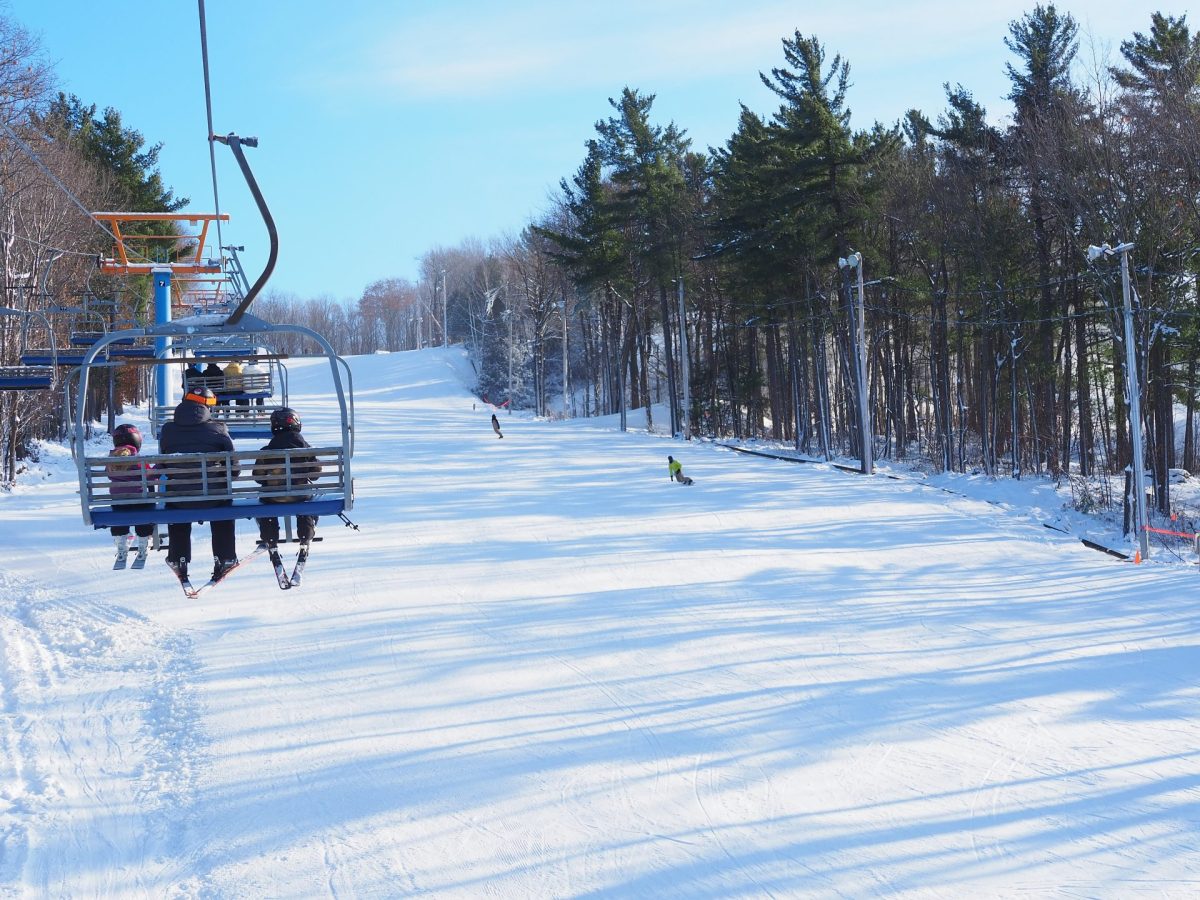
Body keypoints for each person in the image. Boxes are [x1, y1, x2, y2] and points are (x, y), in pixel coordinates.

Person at [158, 387, 238, 582]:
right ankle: (225, 556)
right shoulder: (218, 429)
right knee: (222, 500)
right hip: (214, 499)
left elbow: (163, 465)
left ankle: (178, 557)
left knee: (176, 499)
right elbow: (234, 469)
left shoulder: (167, 430)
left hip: (180, 500)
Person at [253, 407, 319, 547]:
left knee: (266, 501)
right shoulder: (306, 449)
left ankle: (270, 537)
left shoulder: (267, 451)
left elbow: (258, 477)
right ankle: (305, 533)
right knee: (306, 498)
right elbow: (315, 474)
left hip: (273, 497)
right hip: (300, 496)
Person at [105, 423, 155, 561]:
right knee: (145, 506)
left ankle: (122, 541)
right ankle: (144, 541)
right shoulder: (140, 461)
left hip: (118, 503)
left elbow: (108, 475)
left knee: (119, 510)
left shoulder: (109, 461)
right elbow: (151, 477)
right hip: (140, 502)